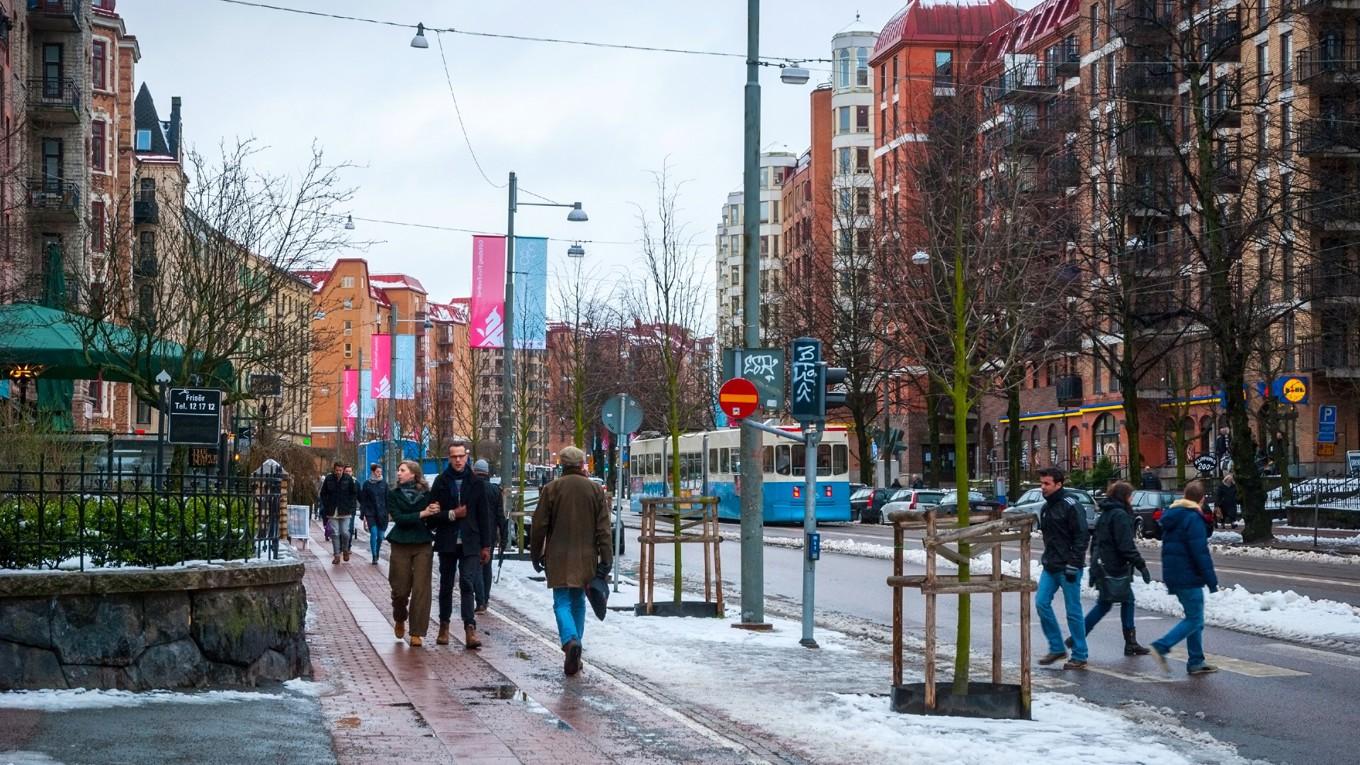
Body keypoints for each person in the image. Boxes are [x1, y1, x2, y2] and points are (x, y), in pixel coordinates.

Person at [530, 446, 612, 677]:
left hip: (558, 556)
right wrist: (606, 560)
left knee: (561, 602)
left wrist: (536, 555)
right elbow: (604, 530)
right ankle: (576, 648)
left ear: (562, 465)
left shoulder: (551, 489)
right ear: (582, 465)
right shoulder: (595, 490)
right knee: (578, 602)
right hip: (587, 558)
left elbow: (539, 526)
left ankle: (570, 641)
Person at [1070, 481, 1152, 656]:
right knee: (1111, 603)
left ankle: (1080, 636)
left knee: (1114, 602)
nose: (1131, 499)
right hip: (1115, 568)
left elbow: (1096, 542)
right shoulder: (1120, 515)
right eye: (1130, 496)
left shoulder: (1106, 513)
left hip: (1104, 565)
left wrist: (1094, 567)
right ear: (1124, 497)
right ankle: (1127, 643)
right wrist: (1141, 565)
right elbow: (1126, 545)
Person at [428, 440, 495, 649]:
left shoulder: (475, 482)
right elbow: (431, 516)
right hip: (448, 540)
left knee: (467, 582)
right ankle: (444, 626)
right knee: (446, 585)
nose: (458, 460)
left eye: (461, 456)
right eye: (454, 456)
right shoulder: (440, 482)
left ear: (467, 457)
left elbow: (484, 516)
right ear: (449, 458)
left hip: (471, 541)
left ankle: (470, 629)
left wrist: (487, 546)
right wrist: (450, 515)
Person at [1150, 481, 1219, 675]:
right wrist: (1212, 581)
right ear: (1202, 499)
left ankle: (1196, 660)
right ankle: (1161, 646)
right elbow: (1200, 552)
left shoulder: (1173, 515)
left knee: (1194, 617)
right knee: (1195, 619)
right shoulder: (1192, 518)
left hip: (1175, 574)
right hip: (1188, 575)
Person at [1034, 466, 1090, 670]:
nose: (1043, 487)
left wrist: (1074, 563)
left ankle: (1080, 654)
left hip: (1068, 567)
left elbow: (1082, 536)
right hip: (1051, 565)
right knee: (1041, 603)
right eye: (1041, 483)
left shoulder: (1071, 505)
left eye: (1047, 483)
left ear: (1059, 484)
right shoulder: (1046, 507)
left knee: (1073, 612)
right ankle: (1057, 646)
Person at [385, 460, 439, 647]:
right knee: (399, 589)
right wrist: (422, 514)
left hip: (422, 543)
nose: (398, 473)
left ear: (413, 474)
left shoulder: (427, 494)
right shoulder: (393, 494)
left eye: (402, 470)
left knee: (421, 589)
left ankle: (417, 632)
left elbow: (432, 521)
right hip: (400, 542)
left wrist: (434, 512)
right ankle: (400, 617)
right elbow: (399, 519)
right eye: (398, 470)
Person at [473, 458, 505, 613]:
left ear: (474, 471)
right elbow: (500, 516)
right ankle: (485, 599)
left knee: (475, 566)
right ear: (487, 473)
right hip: (490, 533)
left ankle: (479, 601)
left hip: (474, 532)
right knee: (487, 566)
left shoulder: (471, 487)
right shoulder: (495, 490)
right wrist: (504, 537)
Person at [320, 462, 358, 564]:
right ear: (334, 470)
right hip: (332, 511)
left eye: (340, 470)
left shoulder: (348, 479)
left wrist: (350, 505)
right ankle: (336, 555)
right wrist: (327, 505)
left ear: (343, 470)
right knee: (335, 533)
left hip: (345, 510)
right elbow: (323, 493)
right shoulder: (329, 479)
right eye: (337, 470)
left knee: (345, 532)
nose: (338, 472)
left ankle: (345, 549)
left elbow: (353, 493)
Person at [359, 463, 389, 564]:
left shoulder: (384, 484)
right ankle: (374, 556)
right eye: (377, 472)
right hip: (370, 512)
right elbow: (363, 500)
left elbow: (387, 499)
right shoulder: (367, 484)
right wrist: (363, 515)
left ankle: (377, 551)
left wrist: (389, 513)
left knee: (380, 537)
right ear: (373, 472)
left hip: (382, 513)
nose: (379, 474)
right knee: (374, 534)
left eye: (380, 472)